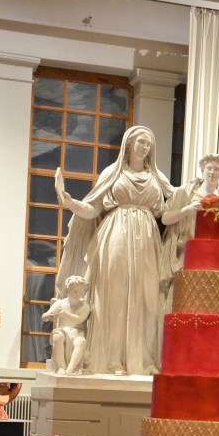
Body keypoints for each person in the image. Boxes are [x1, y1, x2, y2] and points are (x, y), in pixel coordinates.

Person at [54, 125, 173, 376]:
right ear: (129, 144)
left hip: (147, 239)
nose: (145, 147)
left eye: (149, 143)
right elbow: (93, 208)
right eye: (141, 142)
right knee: (115, 297)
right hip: (116, 235)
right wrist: (72, 203)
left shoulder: (156, 177)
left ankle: (144, 359)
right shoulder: (114, 173)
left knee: (149, 298)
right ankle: (113, 360)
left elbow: (167, 209)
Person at [159, 154, 219, 287]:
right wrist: (187, 209)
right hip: (188, 249)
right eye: (209, 168)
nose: (212, 172)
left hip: (215, 252)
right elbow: (165, 219)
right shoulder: (186, 192)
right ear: (203, 170)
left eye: (216, 169)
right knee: (185, 289)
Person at [41, 275, 90, 375]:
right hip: (63, 330)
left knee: (81, 342)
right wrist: (48, 316)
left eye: (81, 293)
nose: (78, 294)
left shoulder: (85, 306)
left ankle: (71, 368)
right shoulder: (60, 303)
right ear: (68, 290)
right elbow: (44, 316)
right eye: (75, 292)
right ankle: (61, 367)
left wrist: (65, 314)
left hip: (77, 332)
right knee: (57, 336)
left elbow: (79, 319)